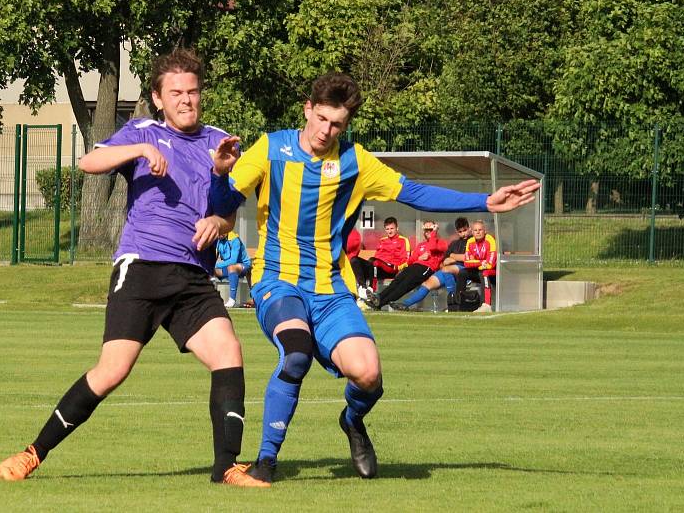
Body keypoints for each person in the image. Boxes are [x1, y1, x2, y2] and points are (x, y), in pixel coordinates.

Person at [209, 73, 539, 483]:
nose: (326, 131)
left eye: (338, 125)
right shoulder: (271, 148)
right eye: (323, 119)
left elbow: (413, 192)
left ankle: (352, 422)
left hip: (331, 289)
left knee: (367, 374)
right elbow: (223, 203)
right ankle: (265, 463)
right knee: (295, 353)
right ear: (307, 109)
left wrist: (485, 201)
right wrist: (220, 174)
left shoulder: (355, 161)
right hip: (278, 282)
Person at [0, 49, 268, 488]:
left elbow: (227, 213)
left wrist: (218, 211)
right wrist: (139, 148)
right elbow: (88, 163)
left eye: (193, 92)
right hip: (141, 268)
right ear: (158, 99)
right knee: (112, 371)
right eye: (176, 93)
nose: (186, 100)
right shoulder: (143, 131)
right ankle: (32, 454)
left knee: (229, 353)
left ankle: (226, 468)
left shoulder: (221, 142)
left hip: (192, 276)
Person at [392, 217, 472, 311]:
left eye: (465, 230)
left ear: (469, 228)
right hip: (448, 270)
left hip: (465, 269)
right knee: (427, 284)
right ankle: (405, 304)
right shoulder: (454, 243)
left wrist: (453, 257)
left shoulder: (472, 241)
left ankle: (452, 303)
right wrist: (452, 258)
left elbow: (468, 257)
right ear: (457, 231)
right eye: (460, 231)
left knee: (446, 270)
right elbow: (445, 259)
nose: (463, 234)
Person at [365, 220, 447, 310]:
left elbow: (432, 247)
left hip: (427, 268)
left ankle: (380, 303)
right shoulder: (421, 245)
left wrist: (434, 233)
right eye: (426, 230)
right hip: (415, 266)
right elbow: (410, 261)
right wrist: (419, 258)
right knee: (397, 281)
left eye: (430, 230)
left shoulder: (441, 243)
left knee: (404, 285)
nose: (428, 232)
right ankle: (379, 297)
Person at [458, 220, 497, 313]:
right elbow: (467, 263)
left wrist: (475, 262)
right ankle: (459, 302)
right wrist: (481, 262)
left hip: (493, 273)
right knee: (462, 272)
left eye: (480, 230)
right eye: (475, 230)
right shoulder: (470, 241)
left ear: (485, 231)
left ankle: (486, 305)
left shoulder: (490, 240)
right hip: (478, 270)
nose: (478, 232)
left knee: (484, 272)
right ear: (472, 232)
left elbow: (490, 264)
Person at [361, 217, 410, 289]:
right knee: (355, 260)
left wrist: (399, 269)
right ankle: (362, 288)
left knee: (373, 261)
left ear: (397, 228)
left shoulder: (403, 240)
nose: (389, 231)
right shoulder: (382, 240)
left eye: (392, 228)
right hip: (379, 268)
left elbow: (406, 259)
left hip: (392, 269)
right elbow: (377, 256)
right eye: (387, 229)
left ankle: (371, 289)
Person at [215, 230, 252, 308]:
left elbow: (233, 261)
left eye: (222, 230)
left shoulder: (235, 240)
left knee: (231, 267)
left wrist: (215, 265)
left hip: (244, 266)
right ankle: (210, 300)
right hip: (229, 268)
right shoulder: (217, 240)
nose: (219, 234)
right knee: (209, 270)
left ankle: (232, 299)